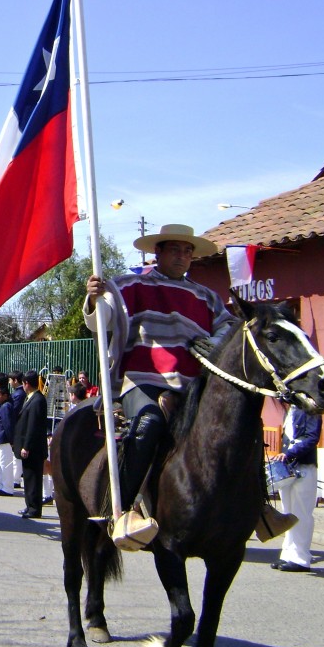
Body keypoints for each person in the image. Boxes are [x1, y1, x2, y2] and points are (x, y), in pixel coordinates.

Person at [83, 224, 242, 550]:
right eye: (175, 250)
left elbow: (229, 326)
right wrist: (93, 298)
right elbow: (102, 318)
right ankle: (121, 510)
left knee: (234, 426)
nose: (183, 257)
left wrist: (212, 342)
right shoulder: (129, 285)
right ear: (158, 253)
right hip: (143, 381)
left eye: (188, 252)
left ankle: (257, 508)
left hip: (192, 386)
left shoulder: (206, 296)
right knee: (149, 424)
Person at [271, 403, 322, 572]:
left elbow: (312, 438)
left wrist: (290, 453)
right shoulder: (289, 410)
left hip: (304, 466)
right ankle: (288, 554)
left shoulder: (311, 410)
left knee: (302, 512)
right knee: (288, 511)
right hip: (288, 467)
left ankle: (301, 557)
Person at [14, 370, 48, 519]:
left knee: (33, 478)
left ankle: (34, 508)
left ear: (26, 384)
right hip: (29, 446)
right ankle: (29, 505)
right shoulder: (31, 398)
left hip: (33, 447)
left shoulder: (38, 400)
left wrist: (26, 446)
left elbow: (33, 426)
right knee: (28, 478)